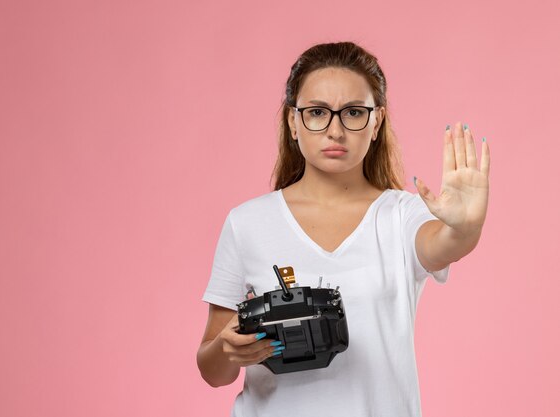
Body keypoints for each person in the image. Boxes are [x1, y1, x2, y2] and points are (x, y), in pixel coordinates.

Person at [196, 41, 490, 417]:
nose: (335, 130)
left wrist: (467, 227)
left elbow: (443, 243)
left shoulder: (402, 214)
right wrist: (227, 350)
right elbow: (213, 371)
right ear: (293, 122)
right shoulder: (247, 223)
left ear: (376, 121)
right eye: (317, 112)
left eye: (353, 112)